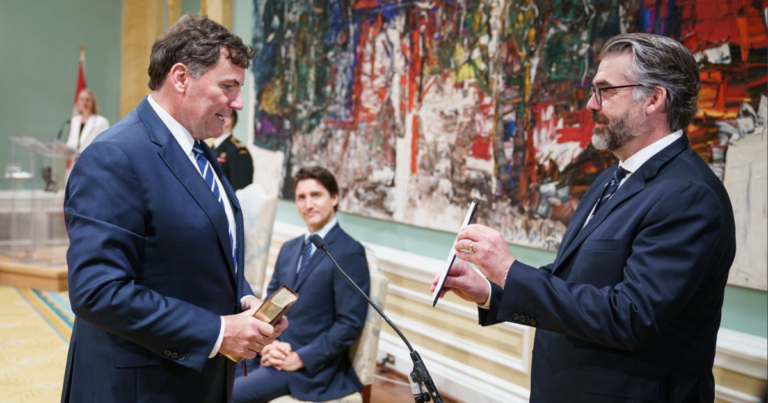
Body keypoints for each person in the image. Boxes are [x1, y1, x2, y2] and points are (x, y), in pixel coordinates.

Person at [432, 33, 736, 403]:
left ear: (654, 99)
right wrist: (491, 290)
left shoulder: (691, 195)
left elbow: (630, 316)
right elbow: (577, 279)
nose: (591, 104)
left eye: (605, 91)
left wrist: (510, 270)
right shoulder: (610, 179)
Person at [62, 14, 287, 403]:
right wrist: (218, 331)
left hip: (198, 379)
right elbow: (98, 291)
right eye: (228, 86)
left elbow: (201, 250)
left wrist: (244, 298)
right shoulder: (114, 156)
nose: (238, 103)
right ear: (181, 78)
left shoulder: (199, 149)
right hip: (140, 386)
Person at [233, 166, 370, 403]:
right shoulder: (289, 248)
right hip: (272, 352)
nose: (308, 204)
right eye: (301, 197)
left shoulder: (350, 251)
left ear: (334, 198)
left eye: (316, 195)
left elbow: (349, 323)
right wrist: (268, 346)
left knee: (229, 394)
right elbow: (270, 308)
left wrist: (301, 358)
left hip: (309, 367)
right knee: (211, 377)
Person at [213, 109, 254, 191]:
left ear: (227, 121)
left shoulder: (238, 151)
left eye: (217, 116)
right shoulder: (212, 147)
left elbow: (240, 191)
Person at [65, 88, 109, 153]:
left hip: (91, 160)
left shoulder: (101, 122)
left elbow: (103, 145)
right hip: (75, 161)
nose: (84, 103)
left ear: (93, 103)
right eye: (81, 99)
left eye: (87, 100)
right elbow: (70, 142)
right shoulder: (74, 120)